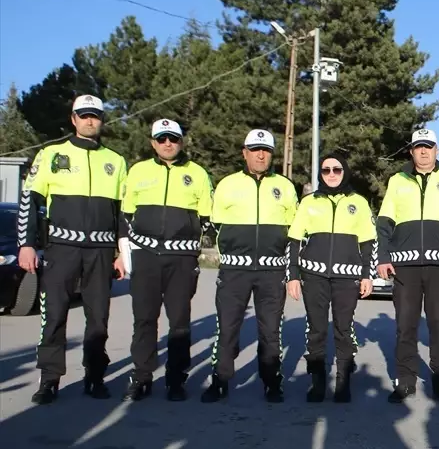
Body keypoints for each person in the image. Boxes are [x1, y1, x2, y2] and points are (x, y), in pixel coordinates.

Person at [19, 95, 128, 404]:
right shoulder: (52, 154)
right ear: (73, 119)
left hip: (101, 251)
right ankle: (50, 380)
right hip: (61, 248)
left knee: (99, 319)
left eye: (95, 116)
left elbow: (123, 212)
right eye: (84, 115)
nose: (90, 120)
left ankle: (94, 377)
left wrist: (122, 254)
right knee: (53, 316)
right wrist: (26, 244)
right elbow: (30, 199)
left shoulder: (116, 161)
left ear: (102, 120)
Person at [376, 128, 439, 404]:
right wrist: (383, 257)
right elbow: (384, 222)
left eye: (428, 146)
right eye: (418, 146)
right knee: (405, 325)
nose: (423, 151)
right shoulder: (397, 181)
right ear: (411, 150)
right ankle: (405, 381)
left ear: (437, 150)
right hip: (404, 267)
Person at [120, 119, 214, 401]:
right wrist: (128, 251)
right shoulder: (138, 171)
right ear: (153, 143)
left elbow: (207, 219)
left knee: (180, 321)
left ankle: (176, 379)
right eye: (162, 139)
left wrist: (191, 242)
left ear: (181, 140)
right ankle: (142, 376)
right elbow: (125, 215)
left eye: (173, 138)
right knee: (144, 319)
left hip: (181, 259)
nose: (168, 143)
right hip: (146, 256)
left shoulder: (197, 173)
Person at [202, 129, 298, 403]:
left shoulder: (285, 186)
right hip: (235, 271)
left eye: (265, 150)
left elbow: (294, 231)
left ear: (271, 155)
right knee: (227, 327)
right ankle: (220, 380)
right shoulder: (227, 184)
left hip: (272, 271)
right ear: (244, 152)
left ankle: (271, 382)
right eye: (254, 149)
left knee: (270, 330)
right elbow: (216, 223)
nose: (260, 154)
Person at [286, 153, 376, 403]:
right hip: (313, 276)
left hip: (346, 279)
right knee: (315, 330)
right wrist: (292, 275)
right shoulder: (308, 202)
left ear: (345, 171)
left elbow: (369, 242)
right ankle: (317, 383)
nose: (332, 174)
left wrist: (367, 275)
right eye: (326, 170)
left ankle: (343, 381)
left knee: (343, 329)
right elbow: (294, 240)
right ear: (320, 174)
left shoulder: (358, 202)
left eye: (337, 169)